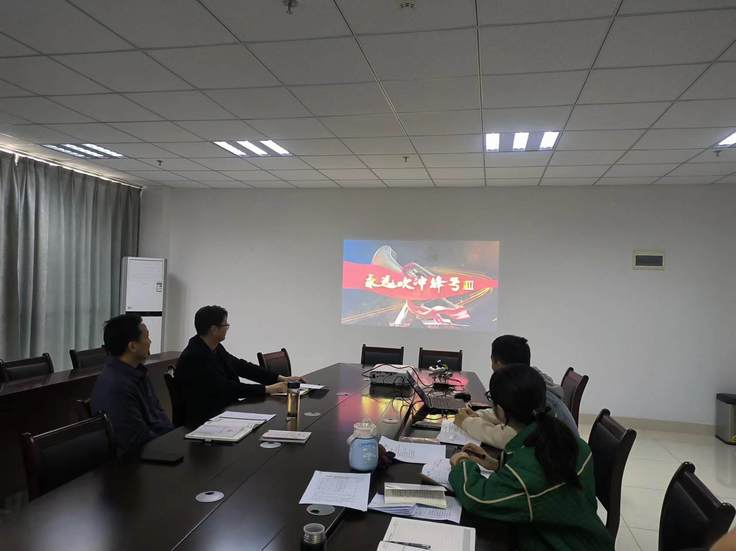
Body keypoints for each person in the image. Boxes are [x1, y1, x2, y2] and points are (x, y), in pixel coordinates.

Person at [449, 365, 614, 551]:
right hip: (589, 540)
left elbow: (478, 499)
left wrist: (461, 463)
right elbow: (544, 483)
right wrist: (497, 464)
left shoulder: (526, 472)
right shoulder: (569, 440)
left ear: (500, 411)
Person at [176, 305, 300, 426]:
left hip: (224, 410)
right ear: (213, 329)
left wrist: (280, 378)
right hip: (205, 420)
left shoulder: (214, 347)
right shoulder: (194, 356)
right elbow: (226, 388)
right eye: (225, 325)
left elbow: (241, 366)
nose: (227, 328)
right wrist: (268, 389)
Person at [454, 334, 577, 449]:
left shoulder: (528, 392)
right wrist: (479, 415)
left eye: (492, 360)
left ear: (499, 364)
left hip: (560, 457)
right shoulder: (532, 381)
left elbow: (511, 437)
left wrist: (466, 422)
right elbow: (513, 416)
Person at [91, 314, 174, 458]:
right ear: (132, 346)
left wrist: (176, 439)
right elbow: (137, 440)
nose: (150, 341)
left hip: (159, 447)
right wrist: (172, 446)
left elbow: (158, 417)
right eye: (146, 337)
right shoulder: (117, 386)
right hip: (137, 461)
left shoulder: (138, 373)